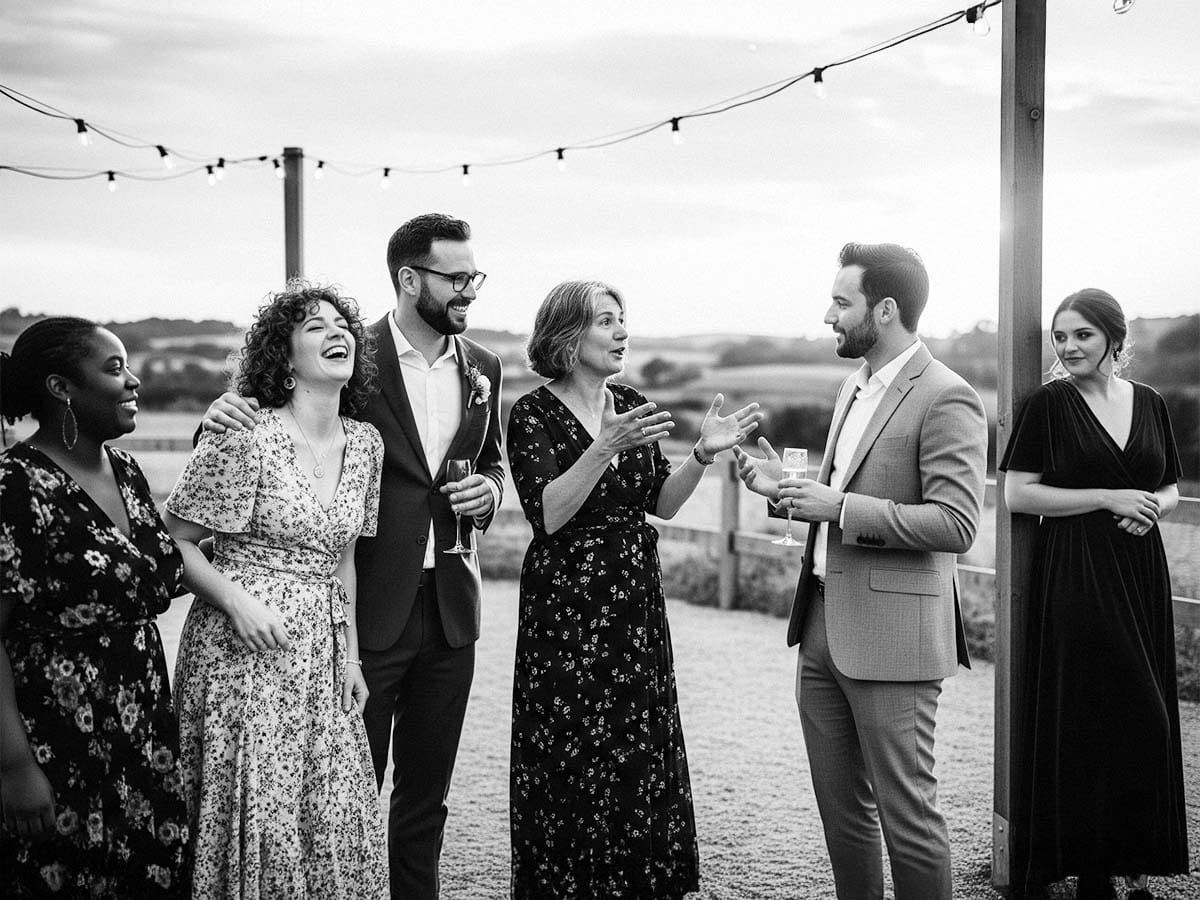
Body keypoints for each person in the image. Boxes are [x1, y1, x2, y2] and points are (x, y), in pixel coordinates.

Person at [199, 214, 504, 899]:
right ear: (409, 279)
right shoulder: (351, 353)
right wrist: (217, 413)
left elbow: (491, 461)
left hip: (453, 606)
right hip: (364, 603)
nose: (469, 291)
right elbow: (263, 408)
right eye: (456, 278)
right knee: (342, 791)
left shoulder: (484, 367)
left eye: (474, 277)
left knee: (427, 794)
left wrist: (489, 488)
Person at [735, 243, 987, 900]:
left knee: (910, 821)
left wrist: (840, 507)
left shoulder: (947, 396)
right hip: (820, 622)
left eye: (840, 302)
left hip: (894, 638)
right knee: (842, 816)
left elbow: (956, 524)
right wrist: (780, 489)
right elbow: (836, 493)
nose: (828, 316)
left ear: (885, 310)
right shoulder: (854, 386)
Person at [506, 280, 763, 898]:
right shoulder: (531, 414)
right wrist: (604, 447)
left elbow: (661, 503)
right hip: (566, 603)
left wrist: (702, 455)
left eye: (622, 319)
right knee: (567, 742)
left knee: (634, 738)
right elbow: (549, 513)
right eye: (605, 321)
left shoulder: (632, 402)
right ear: (568, 336)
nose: (622, 331)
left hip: (633, 596)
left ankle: (638, 880)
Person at [164, 283, 388, 898]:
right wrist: (236, 601)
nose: (336, 332)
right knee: (257, 801)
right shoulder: (245, 433)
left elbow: (344, 560)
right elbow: (175, 541)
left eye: (342, 325)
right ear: (284, 357)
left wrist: (353, 657)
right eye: (315, 326)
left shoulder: (366, 444)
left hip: (322, 654)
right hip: (241, 652)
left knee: (329, 806)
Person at [1000, 289, 1188, 900]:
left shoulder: (1150, 402)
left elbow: (1170, 487)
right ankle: (1091, 870)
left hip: (1141, 572)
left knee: (1145, 719)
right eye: (1060, 336)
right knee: (1094, 715)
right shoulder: (1048, 405)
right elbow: (1019, 494)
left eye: (1082, 334)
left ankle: (1131, 861)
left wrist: (1150, 507)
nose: (1068, 347)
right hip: (1076, 572)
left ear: (1114, 338)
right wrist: (1108, 497)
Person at [0, 317, 190, 897]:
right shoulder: (16, 485)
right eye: (114, 368)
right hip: (58, 732)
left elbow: (149, 577)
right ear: (61, 387)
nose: (134, 381)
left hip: (141, 727)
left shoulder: (127, 472)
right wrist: (14, 767)